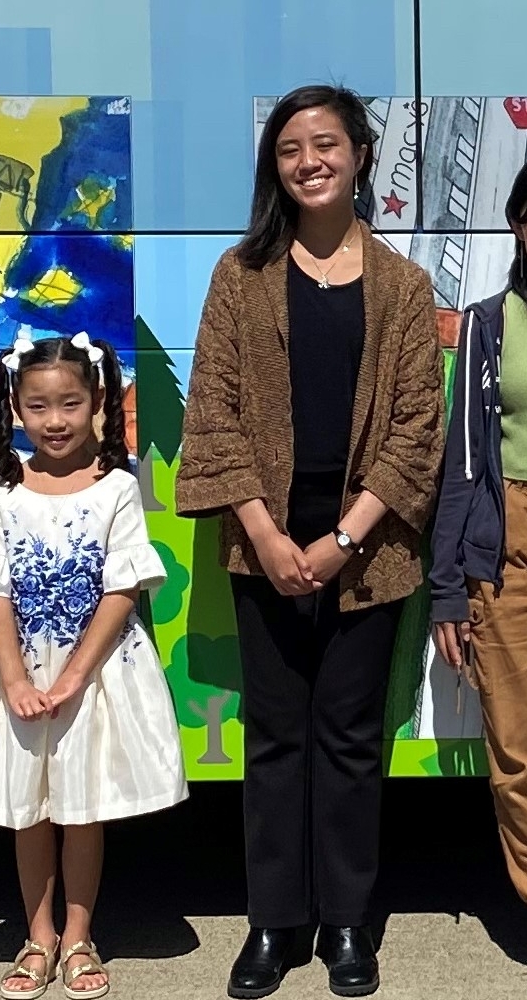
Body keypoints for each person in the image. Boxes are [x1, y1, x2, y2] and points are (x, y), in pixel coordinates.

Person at [176, 84, 444, 999]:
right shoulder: (238, 277)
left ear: (359, 156)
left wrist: (340, 538)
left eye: (325, 143)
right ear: (274, 168)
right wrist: (264, 530)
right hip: (264, 541)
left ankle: (344, 926)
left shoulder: (405, 286)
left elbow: (418, 428)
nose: (309, 161)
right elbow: (211, 412)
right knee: (277, 737)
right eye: (290, 149)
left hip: (367, 544)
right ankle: (272, 924)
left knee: (351, 739)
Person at [0, 332, 188, 1000]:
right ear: (14, 406)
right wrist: (14, 678)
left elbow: (122, 589)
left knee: (81, 805)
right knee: (29, 806)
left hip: (92, 672)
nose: (56, 420)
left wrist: (72, 678)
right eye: (39, 406)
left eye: (70, 403)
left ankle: (79, 935)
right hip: (17, 670)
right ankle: (36, 935)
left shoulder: (117, 488)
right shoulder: (2, 491)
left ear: (97, 401)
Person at [429, 161, 527, 912]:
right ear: (518, 224)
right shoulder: (487, 323)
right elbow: (462, 462)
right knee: (517, 751)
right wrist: (446, 590)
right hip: (508, 549)